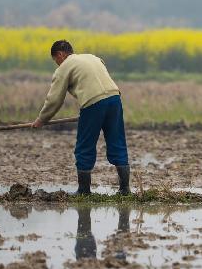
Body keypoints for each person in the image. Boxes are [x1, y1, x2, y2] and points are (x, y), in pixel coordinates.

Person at [33, 39, 131, 195]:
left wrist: (42, 119)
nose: (57, 64)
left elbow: (54, 99)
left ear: (60, 54)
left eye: (56, 60)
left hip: (93, 103)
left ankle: (84, 191)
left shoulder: (64, 67)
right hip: (114, 99)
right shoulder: (92, 57)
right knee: (117, 141)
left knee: (85, 145)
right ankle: (125, 190)